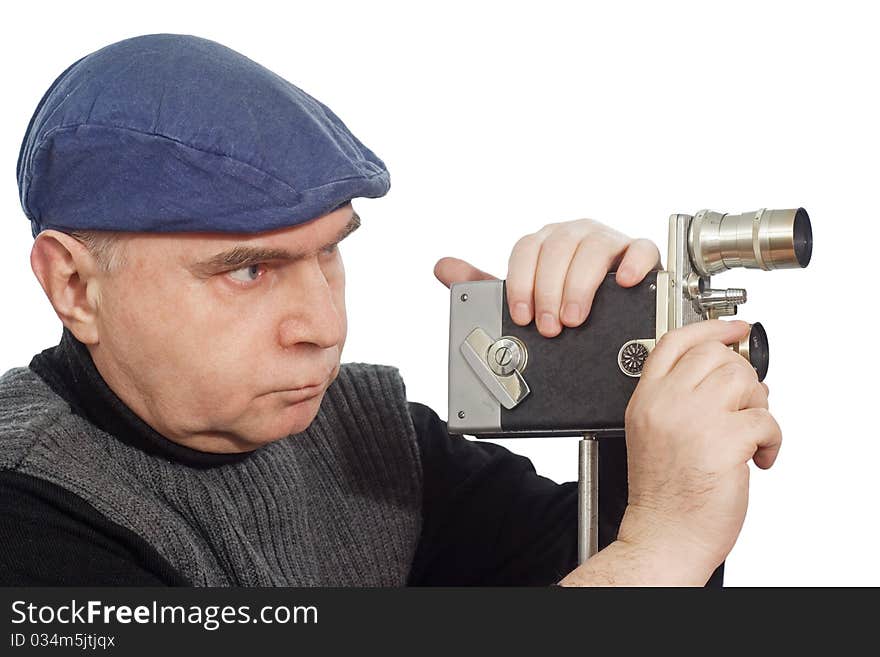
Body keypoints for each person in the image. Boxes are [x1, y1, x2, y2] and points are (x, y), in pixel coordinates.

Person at [0, 34, 780, 586]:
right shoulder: (25, 510)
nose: (326, 326)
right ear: (74, 286)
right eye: (248, 268)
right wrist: (656, 551)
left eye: (330, 251)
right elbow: (646, 563)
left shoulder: (365, 440)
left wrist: (622, 390)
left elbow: (596, 561)